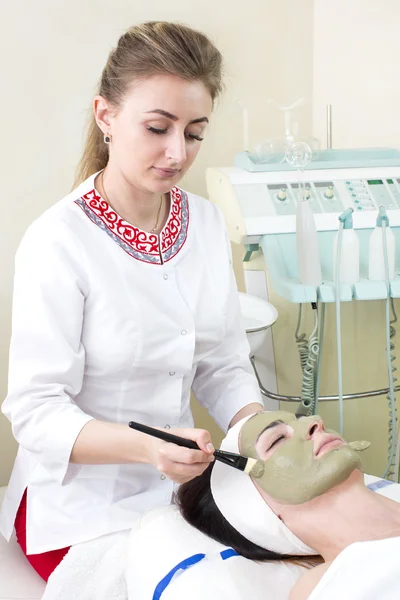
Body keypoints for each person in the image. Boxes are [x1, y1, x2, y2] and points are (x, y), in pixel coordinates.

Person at [0, 21, 264, 583]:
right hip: (75, 509)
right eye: (157, 128)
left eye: (194, 133)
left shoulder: (206, 223)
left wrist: (258, 426)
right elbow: (35, 412)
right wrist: (149, 450)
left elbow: (221, 362)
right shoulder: (59, 242)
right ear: (106, 117)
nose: (177, 153)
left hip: (174, 490)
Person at [178, 411, 400, 599]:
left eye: (300, 419)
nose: (316, 421)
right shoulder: (330, 587)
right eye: (277, 440)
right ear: (260, 511)